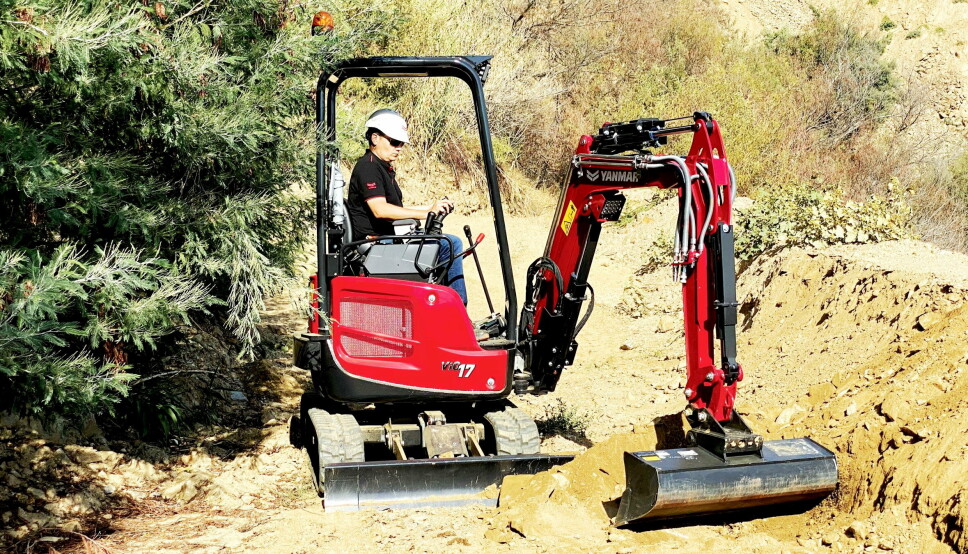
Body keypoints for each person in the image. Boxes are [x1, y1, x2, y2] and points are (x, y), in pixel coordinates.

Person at [347, 109, 468, 304]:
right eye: (394, 142)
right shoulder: (368, 167)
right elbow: (381, 210)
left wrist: (432, 206)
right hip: (377, 244)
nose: (399, 148)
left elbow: (394, 208)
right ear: (375, 138)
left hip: (387, 240)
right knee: (450, 244)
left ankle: (441, 307)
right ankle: (457, 309)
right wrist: (425, 212)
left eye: (401, 143)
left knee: (447, 244)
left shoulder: (382, 168)